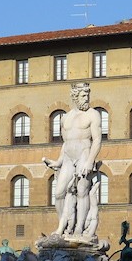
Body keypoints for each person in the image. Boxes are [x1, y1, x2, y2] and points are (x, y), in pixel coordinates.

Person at [43, 82, 103, 241]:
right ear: (75, 97)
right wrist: (58, 162)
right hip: (68, 157)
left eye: (87, 95)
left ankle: (79, 228)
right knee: (59, 193)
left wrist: (90, 161)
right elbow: (66, 143)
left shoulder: (93, 114)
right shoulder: (65, 117)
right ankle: (64, 227)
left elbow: (97, 140)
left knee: (82, 192)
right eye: (83, 95)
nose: (87, 98)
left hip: (84, 153)